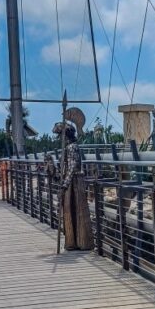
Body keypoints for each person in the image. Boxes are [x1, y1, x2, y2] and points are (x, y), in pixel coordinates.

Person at [52, 107, 94, 251]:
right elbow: (64, 167)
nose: (59, 139)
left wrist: (65, 184)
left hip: (74, 183)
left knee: (76, 210)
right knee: (69, 211)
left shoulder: (72, 148)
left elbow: (72, 166)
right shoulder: (67, 148)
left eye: (61, 136)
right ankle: (72, 240)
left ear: (66, 136)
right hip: (70, 183)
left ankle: (81, 241)